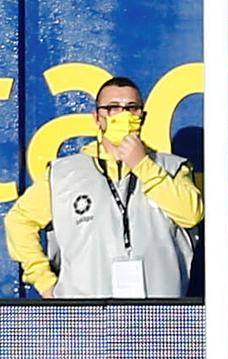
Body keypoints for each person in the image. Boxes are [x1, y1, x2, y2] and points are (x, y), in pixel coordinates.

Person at [4, 76, 203, 298]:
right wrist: (44, 281)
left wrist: (142, 165)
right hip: (85, 317)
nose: (123, 114)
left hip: (158, 317)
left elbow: (191, 214)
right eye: (113, 108)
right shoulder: (64, 174)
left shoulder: (172, 167)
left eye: (132, 108)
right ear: (98, 117)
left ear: (142, 116)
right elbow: (19, 221)